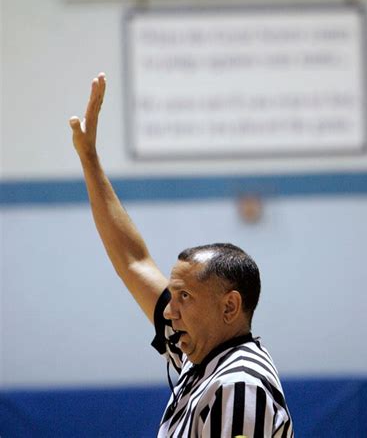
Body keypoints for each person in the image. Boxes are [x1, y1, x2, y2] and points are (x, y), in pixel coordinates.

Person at [70, 73, 294, 437]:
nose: (170, 311)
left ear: (229, 307)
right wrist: (90, 159)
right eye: (174, 296)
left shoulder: (238, 386)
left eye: (184, 297)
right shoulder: (202, 356)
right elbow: (133, 262)